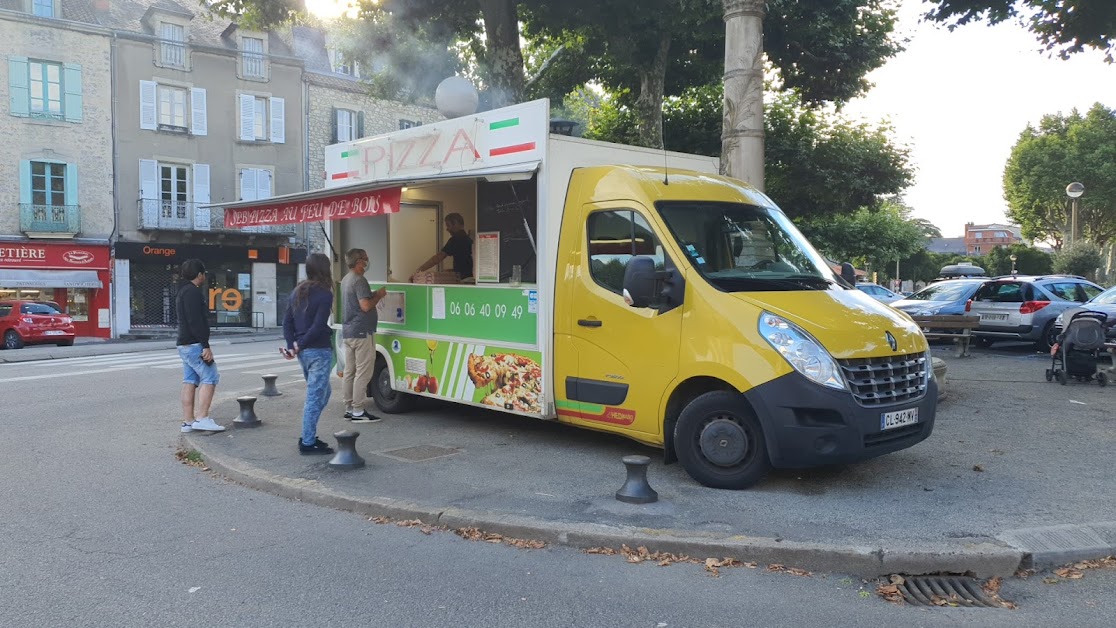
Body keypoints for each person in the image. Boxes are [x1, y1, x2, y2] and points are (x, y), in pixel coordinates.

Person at [282, 253, 337, 455]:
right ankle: (307, 442)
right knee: (315, 397)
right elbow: (318, 325)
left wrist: (293, 345)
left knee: (324, 393)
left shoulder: (297, 291)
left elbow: (287, 322)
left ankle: (309, 434)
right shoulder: (325, 294)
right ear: (326, 269)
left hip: (303, 353)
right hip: (318, 351)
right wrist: (298, 345)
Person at [176, 259, 225, 433]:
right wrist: (205, 345)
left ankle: (188, 421)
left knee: (189, 380)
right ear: (199, 275)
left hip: (184, 344)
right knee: (210, 377)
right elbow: (196, 321)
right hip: (195, 344)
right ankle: (202, 418)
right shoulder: (193, 293)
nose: (204, 277)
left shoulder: (182, 292)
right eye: (203, 274)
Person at [341, 248, 387, 422]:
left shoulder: (346, 279)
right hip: (362, 332)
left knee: (350, 371)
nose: (368, 261)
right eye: (366, 259)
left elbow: (359, 301)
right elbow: (365, 306)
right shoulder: (359, 280)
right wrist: (379, 296)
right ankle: (359, 411)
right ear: (359, 261)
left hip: (349, 332)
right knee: (363, 372)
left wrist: (373, 295)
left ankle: (348, 407)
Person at [414, 213, 474, 280]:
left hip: (463, 280)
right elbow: (465, 264)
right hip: (470, 278)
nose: (447, 229)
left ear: (456, 224)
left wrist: (419, 270)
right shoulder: (469, 240)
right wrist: (451, 271)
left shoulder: (456, 239)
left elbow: (437, 258)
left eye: (448, 225)